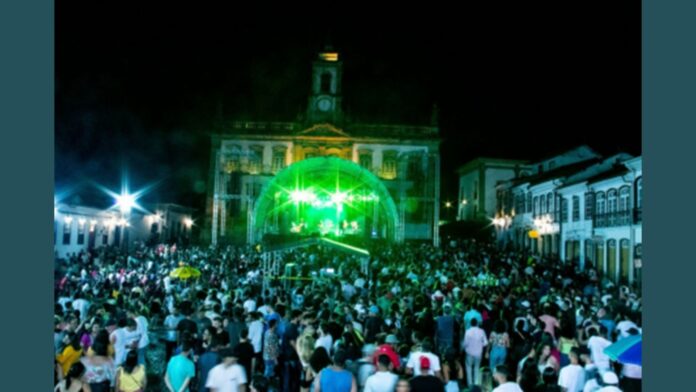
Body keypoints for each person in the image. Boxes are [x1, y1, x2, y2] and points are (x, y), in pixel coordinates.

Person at [463, 318, 487, 386]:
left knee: (469, 368)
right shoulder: (482, 331)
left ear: (470, 324)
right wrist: (479, 345)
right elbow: (485, 343)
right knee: (477, 368)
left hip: (469, 353)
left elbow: (465, 343)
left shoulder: (467, 331)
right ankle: (476, 384)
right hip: (478, 353)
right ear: (477, 323)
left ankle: (470, 385)